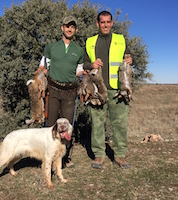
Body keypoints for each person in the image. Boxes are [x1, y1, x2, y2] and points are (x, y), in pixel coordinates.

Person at [83, 11, 133, 169]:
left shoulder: (120, 39)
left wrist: (131, 58)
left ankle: (120, 155)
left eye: (108, 22)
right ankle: (99, 155)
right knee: (97, 123)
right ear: (97, 24)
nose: (105, 25)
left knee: (119, 123)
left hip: (118, 90)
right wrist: (91, 65)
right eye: (102, 22)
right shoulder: (90, 42)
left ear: (112, 23)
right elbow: (84, 63)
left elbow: (129, 56)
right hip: (97, 90)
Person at [39, 16, 84, 168]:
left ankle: (63, 159)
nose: (69, 29)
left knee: (67, 125)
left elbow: (79, 70)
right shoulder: (51, 47)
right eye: (67, 26)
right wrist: (40, 78)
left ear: (75, 30)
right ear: (62, 28)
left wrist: (86, 75)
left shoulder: (78, 50)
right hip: (53, 89)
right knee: (50, 124)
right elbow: (43, 66)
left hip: (70, 92)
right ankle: (48, 158)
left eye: (72, 26)